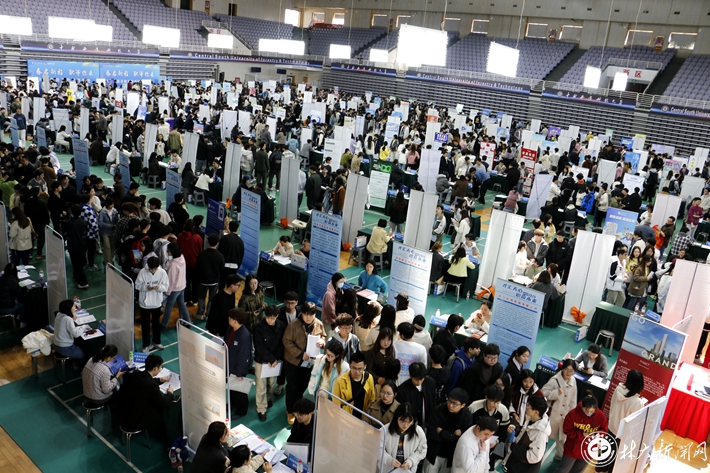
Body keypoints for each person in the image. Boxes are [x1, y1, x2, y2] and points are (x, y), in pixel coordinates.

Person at [283, 302, 326, 424]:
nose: (308, 317)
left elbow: (323, 335)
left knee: (304, 385)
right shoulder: (293, 325)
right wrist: (300, 354)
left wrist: (322, 341)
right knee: (292, 387)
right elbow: (286, 341)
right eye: (305, 314)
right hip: (293, 362)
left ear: (315, 314)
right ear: (301, 313)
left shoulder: (319, 324)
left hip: (310, 362)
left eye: (311, 314)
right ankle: (290, 411)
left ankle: (298, 406)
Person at [117, 354, 176, 434]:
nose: (160, 369)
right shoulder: (152, 386)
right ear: (155, 368)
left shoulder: (136, 374)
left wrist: (159, 380)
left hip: (125, 411)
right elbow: (163, 402)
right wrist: (169, 393)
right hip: (136, 419)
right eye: (160, 367)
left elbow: (144, 380)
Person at [599, 370, 645, 473]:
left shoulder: (618, 389)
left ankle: (599, 469)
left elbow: (612, 404)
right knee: (616, 457)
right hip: (623, 433)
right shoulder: (637, 402)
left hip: (612, 425)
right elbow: (636, 421)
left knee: (606, 448)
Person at [555, 394, 608, 473]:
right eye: (586, 411)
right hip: (572, 449)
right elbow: (567, 430)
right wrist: (581, 434)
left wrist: (598, 435)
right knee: (562, 470)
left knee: (578, 471)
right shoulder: (572, 414)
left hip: (588, 451)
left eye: (592, 411)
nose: (589, 413)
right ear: (582, 407)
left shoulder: (600, 415)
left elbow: (604, 430)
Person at [424, 388, 473, 473]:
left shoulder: (467, 417)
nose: (450, 405)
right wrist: (452, 436)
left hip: (452, 455)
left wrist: (442, 432)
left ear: (463, 405)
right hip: (434, 453)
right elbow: (431, 433)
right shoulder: (438, 410)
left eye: (455, 404)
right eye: (449, 401)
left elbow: (463, 440)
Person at [253, 305, 286, 421]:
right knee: (261, 386)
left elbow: (282, 344)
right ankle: (261, 408)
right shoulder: (258, 327)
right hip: (261, 361)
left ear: (277, 316)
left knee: (271, 383)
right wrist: (271, 359)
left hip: (275, 361)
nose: (269, 320)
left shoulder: (281, 326)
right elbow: (259, 346)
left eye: (272, 318)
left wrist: (275, 359)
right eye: (267, 317)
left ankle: (267, 398)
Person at [502, 395, 551, 473]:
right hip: (516, 464)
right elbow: (526, 432)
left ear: (536, 412)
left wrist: (513, 447)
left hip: (524, 469)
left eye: (528, 406)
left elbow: (534, 456)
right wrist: (516, 429)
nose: (526, 407)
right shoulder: (532, 419)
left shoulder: (540, 434)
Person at [541, 359, 578, 461]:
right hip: (552, 415)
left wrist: (572, 416)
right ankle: (539, 456)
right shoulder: (554, 380)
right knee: (545, 437)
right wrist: (556, 393)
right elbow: (543, 393)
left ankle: (559, 457)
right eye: (567, 370)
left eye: (571, 371)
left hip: (565, 416)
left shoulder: (573, 381)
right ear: (562, 369)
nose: (569, 373)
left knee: (562, 438)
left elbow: (573, 400)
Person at [383, 403, 429, 472]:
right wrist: (388, 459)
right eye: (402, 421)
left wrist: (411, 461)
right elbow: (378, 449)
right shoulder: (385, 430)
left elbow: (422, 450)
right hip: (387, 469)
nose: (405, 425)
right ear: (396, 418)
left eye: (409, 422)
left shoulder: (418, 431)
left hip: (407, 470)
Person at [136, 257, 169, 353]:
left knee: (156, 324)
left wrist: (158, 287)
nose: (152, 271)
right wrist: (146, 287)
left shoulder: (162, 272)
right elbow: (137, 285)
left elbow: (166, 287)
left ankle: (157, 342)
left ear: (157, 267)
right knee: (145, 325)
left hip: (156, 303)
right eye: (151, 269)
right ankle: (146, 345)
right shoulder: (142, 272)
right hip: (144, 304)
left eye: (154, 269)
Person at [225, 309, 252, 418]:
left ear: (235, 321)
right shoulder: (230, 329)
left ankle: (241, 410)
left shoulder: (244, 336)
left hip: (238, 370)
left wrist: (239, 373)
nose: (228, 319)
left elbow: (244, 356)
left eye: (230, 318)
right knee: (231, 388)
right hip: (229, 365)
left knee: (239, 391)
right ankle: (233, 404)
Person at [81, 344, 123, 416]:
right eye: (113, 358)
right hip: (98, 399)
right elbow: (106, 390)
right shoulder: (105, 371)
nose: (113, 360)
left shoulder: (91, 359)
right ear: (109, 357)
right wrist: (117, 377)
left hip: (86, 393)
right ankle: (116, 416)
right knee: (118, 391)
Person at [333, 350, 376, 418]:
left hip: (362, 417)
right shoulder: (340, 381)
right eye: (354, 368)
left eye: (360, 369)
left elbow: (372, 399)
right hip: (345, 417)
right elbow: (336, 403)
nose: (357, 372)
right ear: (349, 365)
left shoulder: (369, 378)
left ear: (365, 366)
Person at [397, 362, 437, 427]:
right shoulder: (402, 390)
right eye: (416, 380)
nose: (419, 382)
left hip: (428, 421)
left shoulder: (431, 383)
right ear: (410, 376)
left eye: (421, 379)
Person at [161, 243, 190, 330]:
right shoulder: (182, 257)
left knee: (169, 306)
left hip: (175, 289)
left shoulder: (173, 264)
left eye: (168, 250)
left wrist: (167, 292)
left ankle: (164, 324)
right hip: (182, 285)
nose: (167, 252)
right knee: (182, 304)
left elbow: (171, 280)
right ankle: (187, 322)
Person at [218, 220, 244, 284]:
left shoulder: (224, 238)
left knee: (222, 284)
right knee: (231, 285)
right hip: (235, 267)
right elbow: (241, 255)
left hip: (224, 266)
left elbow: (220, 252)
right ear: (237, 229)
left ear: (229, 228)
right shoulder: (240, 241)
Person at [321, 272, 345, 338]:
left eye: (343, 282)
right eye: (340, 282)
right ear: (335, 282)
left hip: (336, 320)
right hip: (329, 321)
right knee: (328, 338)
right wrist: (337, 320)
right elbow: (331, 310)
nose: (342, 283)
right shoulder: (329, 294)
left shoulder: (339, 290)